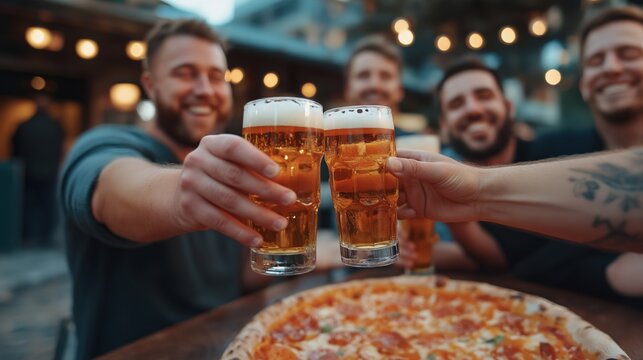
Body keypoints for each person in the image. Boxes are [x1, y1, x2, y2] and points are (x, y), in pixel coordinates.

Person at [59, 19, 297, 359]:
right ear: (150, 85)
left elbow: (238, 275)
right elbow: (111, 193)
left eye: (216, 76)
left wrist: (318, 253)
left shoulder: (232, 170)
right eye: (185, 73)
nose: (204, 89)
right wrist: (180, 198)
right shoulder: (105, 143)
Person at [12, 93, 64, 247]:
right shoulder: (55, 126)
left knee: (28, 207)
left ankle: (29, 236)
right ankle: (45, 237)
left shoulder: (25, 125)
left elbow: (16, 149)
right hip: (49, 172)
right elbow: (59, 149)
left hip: (29, 173)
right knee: (47, 207)